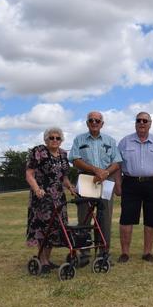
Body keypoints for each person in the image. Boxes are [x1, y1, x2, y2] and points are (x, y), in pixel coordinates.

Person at [116, 112, 153, 263]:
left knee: (151, 219)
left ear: (150, 123)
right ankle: (125, 253)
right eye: (139, 120)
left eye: (145, 121)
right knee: (126, 219)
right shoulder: (124, 142)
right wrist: (118, 184)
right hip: (130, 183)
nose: (142, 123)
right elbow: (117, 166)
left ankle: (147, 252)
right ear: (135, 123)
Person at [68, 111, 121, 262]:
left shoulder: (110, 140)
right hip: (86, 179)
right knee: (84, 217)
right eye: (91, 120)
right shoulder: (79, 139)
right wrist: (95, 170)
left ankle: (104, 253)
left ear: (102, 124)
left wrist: (104, 173)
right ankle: (84, 253)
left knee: (105, 217)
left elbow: (117, 162)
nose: (94, 123)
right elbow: (75, 159)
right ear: (87, 123)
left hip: (106, 180)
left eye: (97, 120)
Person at [26, 127, 76, 274]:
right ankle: (42, 261)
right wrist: (36, 189)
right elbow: (29, 174)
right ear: (46, 139)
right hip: (42, 197)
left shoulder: (63, 154)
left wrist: (70, 187)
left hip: (58, 197)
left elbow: (64, 177)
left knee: (55, 228)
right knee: (42, 228)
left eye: (57, 138)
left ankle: (47, 259)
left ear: (61, 140)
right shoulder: (39, 151)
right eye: (51, 138)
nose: (54, 140)